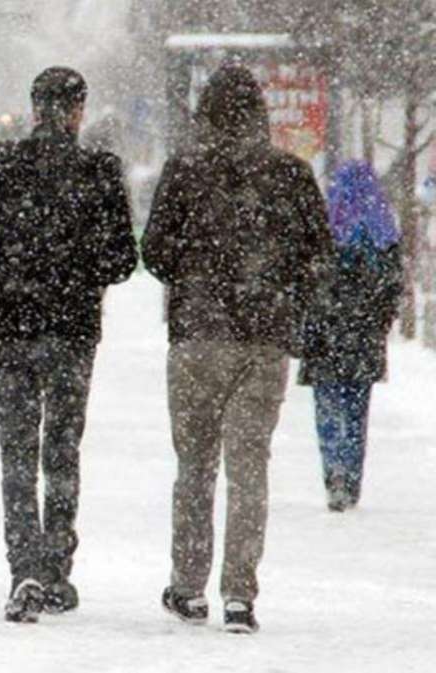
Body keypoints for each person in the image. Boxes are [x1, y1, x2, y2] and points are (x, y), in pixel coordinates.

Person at [142, 64, 333, 634]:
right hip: (264, 339)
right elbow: (319, 255)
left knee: (195, 465)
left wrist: (196, 274)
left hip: (199, 337)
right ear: (261, 114)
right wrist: (277, 286)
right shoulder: (290, 174)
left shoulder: (185, 171)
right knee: (250, 469)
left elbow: (153, 251)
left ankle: (188, 586)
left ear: (206, 114)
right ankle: (239, 594)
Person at [0, 66, 137, 621]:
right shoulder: (99, 171)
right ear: (78, 110)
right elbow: (121, 260)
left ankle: (24, 568)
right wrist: (74, 270)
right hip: (70, 330)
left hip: (4, 331)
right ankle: (57, 568)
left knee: (15, 452)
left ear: (35, 106)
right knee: (61, 450)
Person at [299, 160, 403, 512]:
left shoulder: (326, 224)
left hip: (325, 333)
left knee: (327, 407)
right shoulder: (383, 230)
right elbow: (392, 286)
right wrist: (379, 321)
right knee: (357, 411)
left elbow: (307, 279)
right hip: (364, 336)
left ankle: (334, 474)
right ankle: (352, 477)